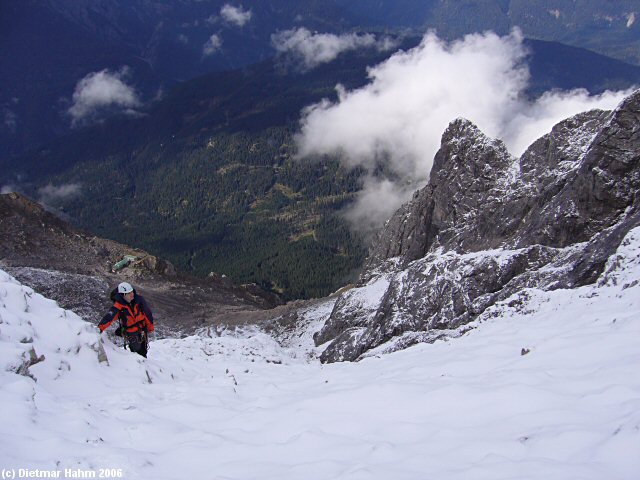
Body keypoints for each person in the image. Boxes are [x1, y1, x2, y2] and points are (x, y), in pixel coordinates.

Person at [99, 282, 155, 357]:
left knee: (143, 349)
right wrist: (99, 329)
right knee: (137, 350)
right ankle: (138, 363)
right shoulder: (119, 306)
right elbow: (109, 317)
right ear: (123, 295)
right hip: (131, 332)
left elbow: (147, 313)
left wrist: (150, 328)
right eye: (128, 293)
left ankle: (142, 362)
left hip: (142, 328)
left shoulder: (139, 300)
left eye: (131, 292)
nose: (132, 294)